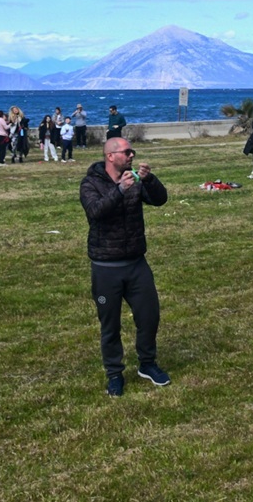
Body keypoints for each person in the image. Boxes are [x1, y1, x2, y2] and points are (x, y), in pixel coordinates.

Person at [79, 137, 171, 396]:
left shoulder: (134, 179)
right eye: (126, 152)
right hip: (106, 266)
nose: (131, 155)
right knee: (110, 325)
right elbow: (95, 211)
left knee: (149, 316)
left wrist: (149, 180)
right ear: (110, 156)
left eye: (132, 151)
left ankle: (148, 364)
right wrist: (119, 190)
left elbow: (160, 200)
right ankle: (114, 374)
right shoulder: (91, 183)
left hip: (136, 263)